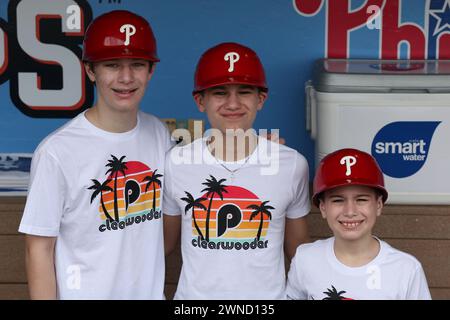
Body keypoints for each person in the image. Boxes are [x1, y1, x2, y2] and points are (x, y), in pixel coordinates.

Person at [18, 10, 172, 299]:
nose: (126, 78)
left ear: (151, 70)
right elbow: (38, 249)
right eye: (112, 65)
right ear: (90, 70)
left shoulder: (158, 133)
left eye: (137, 65)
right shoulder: (57, 151)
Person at [163, 42, 311, 299]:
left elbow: (298, 251)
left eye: (244, 92)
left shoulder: (292, 164)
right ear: (200, 101)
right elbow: (163, 244)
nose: (233, 104)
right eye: (220, 93)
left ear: (260, 99)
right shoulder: (175, 163)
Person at [286, 148, 431, 300]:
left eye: (361, 200)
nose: (350, 211)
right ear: (323, 208)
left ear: (379, 205)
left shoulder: (406, 269)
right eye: (338, 200)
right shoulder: (305, 259)